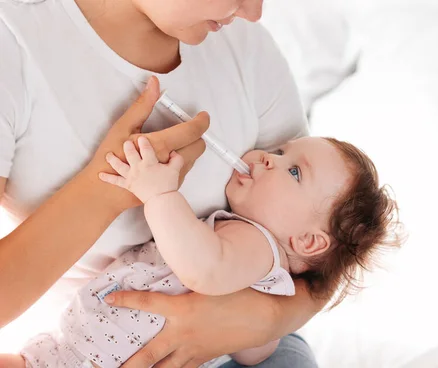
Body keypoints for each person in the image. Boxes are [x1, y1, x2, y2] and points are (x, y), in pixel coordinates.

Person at [0, 0, 323, 365]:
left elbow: (334, 239)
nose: (253, 12)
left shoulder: (245, 45)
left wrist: (264, 320)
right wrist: (103, 195)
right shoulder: (12, 43)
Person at [1, 133, 400, 367]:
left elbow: (203, 269)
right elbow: (256, 351)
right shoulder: (260, 267)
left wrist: (160, 192)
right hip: (82, 350)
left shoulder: (257, 244)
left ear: (308, 242)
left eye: (293, 171)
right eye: (280, 151)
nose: (267, 158)